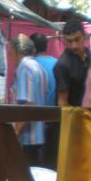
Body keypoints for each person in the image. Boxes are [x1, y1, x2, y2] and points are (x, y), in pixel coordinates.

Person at [9, 34, 47, 167]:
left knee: (26, 180)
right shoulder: (39, 67)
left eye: (10, 52)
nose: (10, 57)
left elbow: (26, 105)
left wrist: (15, 133)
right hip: (38, 135)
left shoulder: (25, 68)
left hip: (28, 138)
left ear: (17, 51)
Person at [30, 32, 58, 169]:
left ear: (32, 48)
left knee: (34, 166)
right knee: (50, 165)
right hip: (54, 121)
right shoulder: (57, 63)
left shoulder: (31, 65)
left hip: (35, 124)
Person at [53, 20, 91, 107]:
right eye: (69, 41)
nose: (74, 45)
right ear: (64, 40)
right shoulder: (62, 65)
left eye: (77, 39)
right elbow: (62, 102)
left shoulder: (88, 54)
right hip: (73, 116)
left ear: (84, 36)